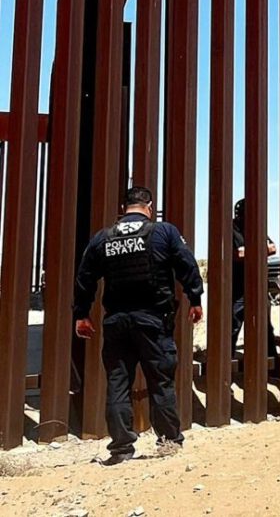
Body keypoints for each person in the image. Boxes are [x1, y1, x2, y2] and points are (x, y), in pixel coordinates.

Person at [73, 186, 204, 466]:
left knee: (118, 383)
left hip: (116, 321)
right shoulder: (163, 232)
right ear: (150, 207)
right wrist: (195, 299)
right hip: (153, 320)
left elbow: (84, 278)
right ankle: (169, 441)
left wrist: (81, 314)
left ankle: (121, 448)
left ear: (123, 209)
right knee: (161, 381)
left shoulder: (103, 237)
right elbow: (187, 266)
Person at [230, 199, 280, 378]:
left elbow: (272, 248)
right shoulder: (231, 229)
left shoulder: (257, 228)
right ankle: (226, 368)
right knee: (232, 326)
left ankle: (273, 368)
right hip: (237, 287)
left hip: (258, 286)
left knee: (265, 327)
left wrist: (250, 250)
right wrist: (259, 248)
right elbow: (237, 254)